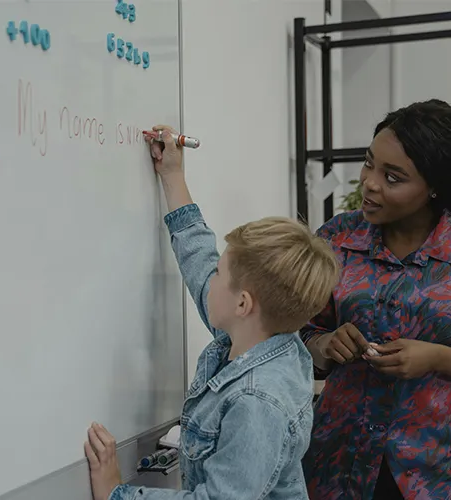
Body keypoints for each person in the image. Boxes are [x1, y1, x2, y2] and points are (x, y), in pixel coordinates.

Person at [301, 99, 451, 499]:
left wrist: (439, 358)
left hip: (450, 472)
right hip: (342, 463)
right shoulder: (336, 239)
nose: (369, 183)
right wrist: (324, 345)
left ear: (435, 187)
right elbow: (301, 330)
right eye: (369, 163)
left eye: (393, 177)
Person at [82, 125, 341, 500]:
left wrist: (115, 494)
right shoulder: (260, 336)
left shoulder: (257, 402)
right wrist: (172, 176)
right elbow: (198, 257)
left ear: (242, 304)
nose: (211, 276)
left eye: (221, 272)